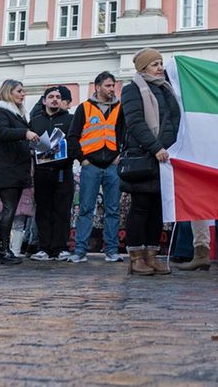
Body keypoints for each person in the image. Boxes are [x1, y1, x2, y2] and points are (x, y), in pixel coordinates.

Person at [120, 48, 180, 276]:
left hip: (165, 159)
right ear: (143, 68)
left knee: (157, 209)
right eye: (155, 64)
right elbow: (135, 123)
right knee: (141, 207)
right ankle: (136, 257)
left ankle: (152, 255)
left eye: (161, 63)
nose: (160, 67)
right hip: (145, 157)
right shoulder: (132, 90)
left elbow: (175, 120)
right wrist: (155, 148)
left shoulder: (166, 89)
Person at [67, 71, 123, 263]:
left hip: (112, 165)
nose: (111, 89)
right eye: (108, 85)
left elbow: (126, 134)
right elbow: (72, 136)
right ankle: (80, 250)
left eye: (113, 85)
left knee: (113, 209)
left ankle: (112, 250)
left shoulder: (120, 108)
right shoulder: (84, 108)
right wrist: (82, 159)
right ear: (97, 87)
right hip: (90, 165)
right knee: (85, 209)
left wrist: (120, 156)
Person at [0, 80, 37, 265]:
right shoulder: (0, 111)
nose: (23, 94)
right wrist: (25, 133)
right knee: (9, 208)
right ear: (9, 92)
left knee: (10, 208)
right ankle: (3, 250)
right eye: (19, 91)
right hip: (6, 168)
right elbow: (1, 132)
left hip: (16, 167)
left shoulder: (18, 114)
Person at [29, 85, 75, 261]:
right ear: (44, 101)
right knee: (43, 210)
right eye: (51, 96)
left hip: (63, 171)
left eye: (57, 96)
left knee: (62, 210)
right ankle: (44, 248)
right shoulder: (36, 120)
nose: (54, 99)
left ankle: (61, 247)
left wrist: (67, 154)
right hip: (41, 171)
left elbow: (75, 141)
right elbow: (29, 143)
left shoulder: (70, 119)